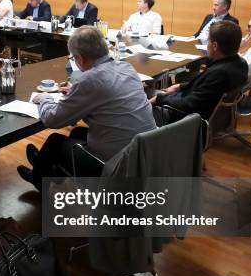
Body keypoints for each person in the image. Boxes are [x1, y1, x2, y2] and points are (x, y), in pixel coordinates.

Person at [17, 26, 156, 189]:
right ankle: (51, 168)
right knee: (76, 133)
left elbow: (52, 119)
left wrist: (45, 98)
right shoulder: (126, 68)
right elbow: (108, 106)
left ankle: (38, 178)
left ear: (80, 59)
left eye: (72, 58)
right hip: (142, 156)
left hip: (117, 167)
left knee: (55, 141)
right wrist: (78, 95)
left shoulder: (89, 80)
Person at [152, 21, 248, 124]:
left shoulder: (219, 73)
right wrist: (179, 86)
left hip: (183, 119)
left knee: (140, 104)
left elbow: (189, 105)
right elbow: (206, 87)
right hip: (203, 111)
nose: (207, 45)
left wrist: (159, 98)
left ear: (215, 46)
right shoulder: (240, 64)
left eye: (208, 41)